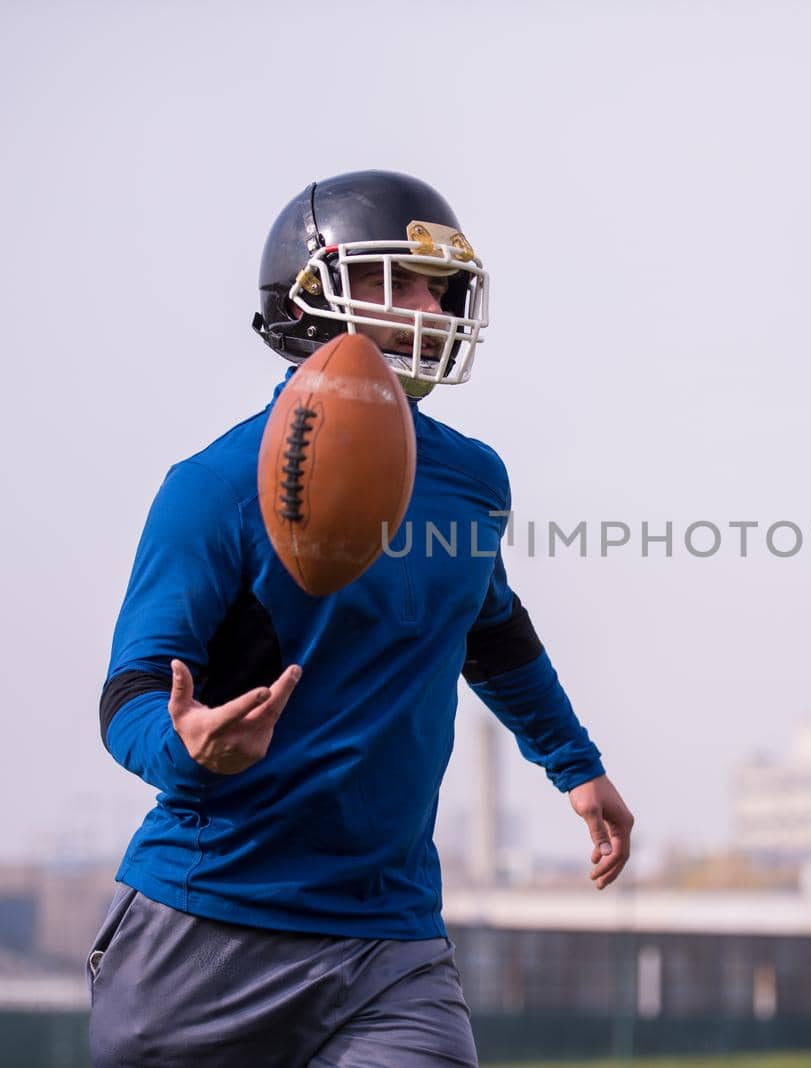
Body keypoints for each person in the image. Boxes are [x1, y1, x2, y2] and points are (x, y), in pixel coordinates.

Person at [89, 170, 633, 1068]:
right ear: (311, 296)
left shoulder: (473, 478)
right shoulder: (213, 487)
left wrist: (575, 766)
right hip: (208, 926)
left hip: (392, 938)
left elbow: (489, 631)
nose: (430, 305)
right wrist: (184, 744)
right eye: (396, 280)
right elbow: (134, 693)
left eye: (439, 286)